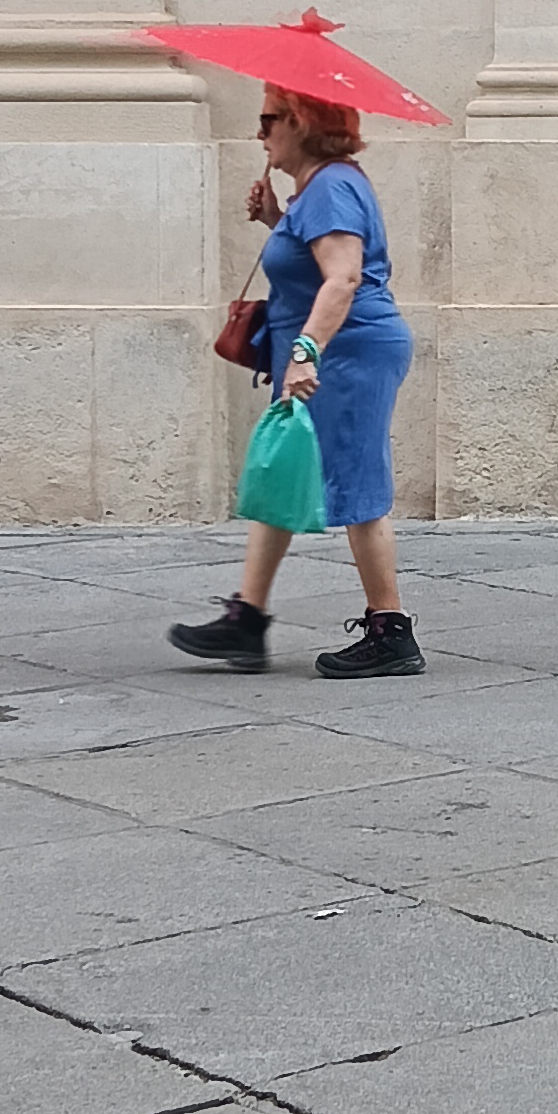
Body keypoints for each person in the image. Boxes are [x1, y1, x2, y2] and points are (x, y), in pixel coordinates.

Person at [170, 87, 421, 675]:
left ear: (301, 123)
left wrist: (306, 352)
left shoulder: (332, 186)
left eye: (268, 120)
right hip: (327, 352)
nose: (260, 135)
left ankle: (391, 633)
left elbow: (343, 277)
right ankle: (247, 619)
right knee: (282, 469)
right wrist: (275, 221)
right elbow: (316, 261)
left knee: (356, 482)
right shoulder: (316, 189)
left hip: (348, 353)